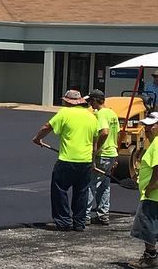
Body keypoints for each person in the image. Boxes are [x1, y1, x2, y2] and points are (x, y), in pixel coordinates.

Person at [32, 88, 100, 232]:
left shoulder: (64, 113)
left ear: (68, 102)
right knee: (81, 192)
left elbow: (47, 127)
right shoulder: (91, 117)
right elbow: (95, 143)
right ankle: (79, 222)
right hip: (85, 161)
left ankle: (63, 221)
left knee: (59, 190)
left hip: (67, 159)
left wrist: (38, 139)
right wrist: (93, 161)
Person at [128, 112, 158, 269]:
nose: (147, 128)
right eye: (146, 125)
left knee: (148, 227)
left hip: (153, 196)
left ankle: (150, 258)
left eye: (151, 125)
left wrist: (152, 185)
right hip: (153, 195)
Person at [87, 89, 118, 226]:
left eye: (90, 101)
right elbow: (117, 134)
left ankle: (85, 215)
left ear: (95, 100)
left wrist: (96, 149)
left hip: (102, 154)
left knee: (91, 184)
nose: (90, 104)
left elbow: (104, 132)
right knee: (105, 185)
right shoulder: (112, 113)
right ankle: (103, 214)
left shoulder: (101, 114)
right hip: (112, 153)